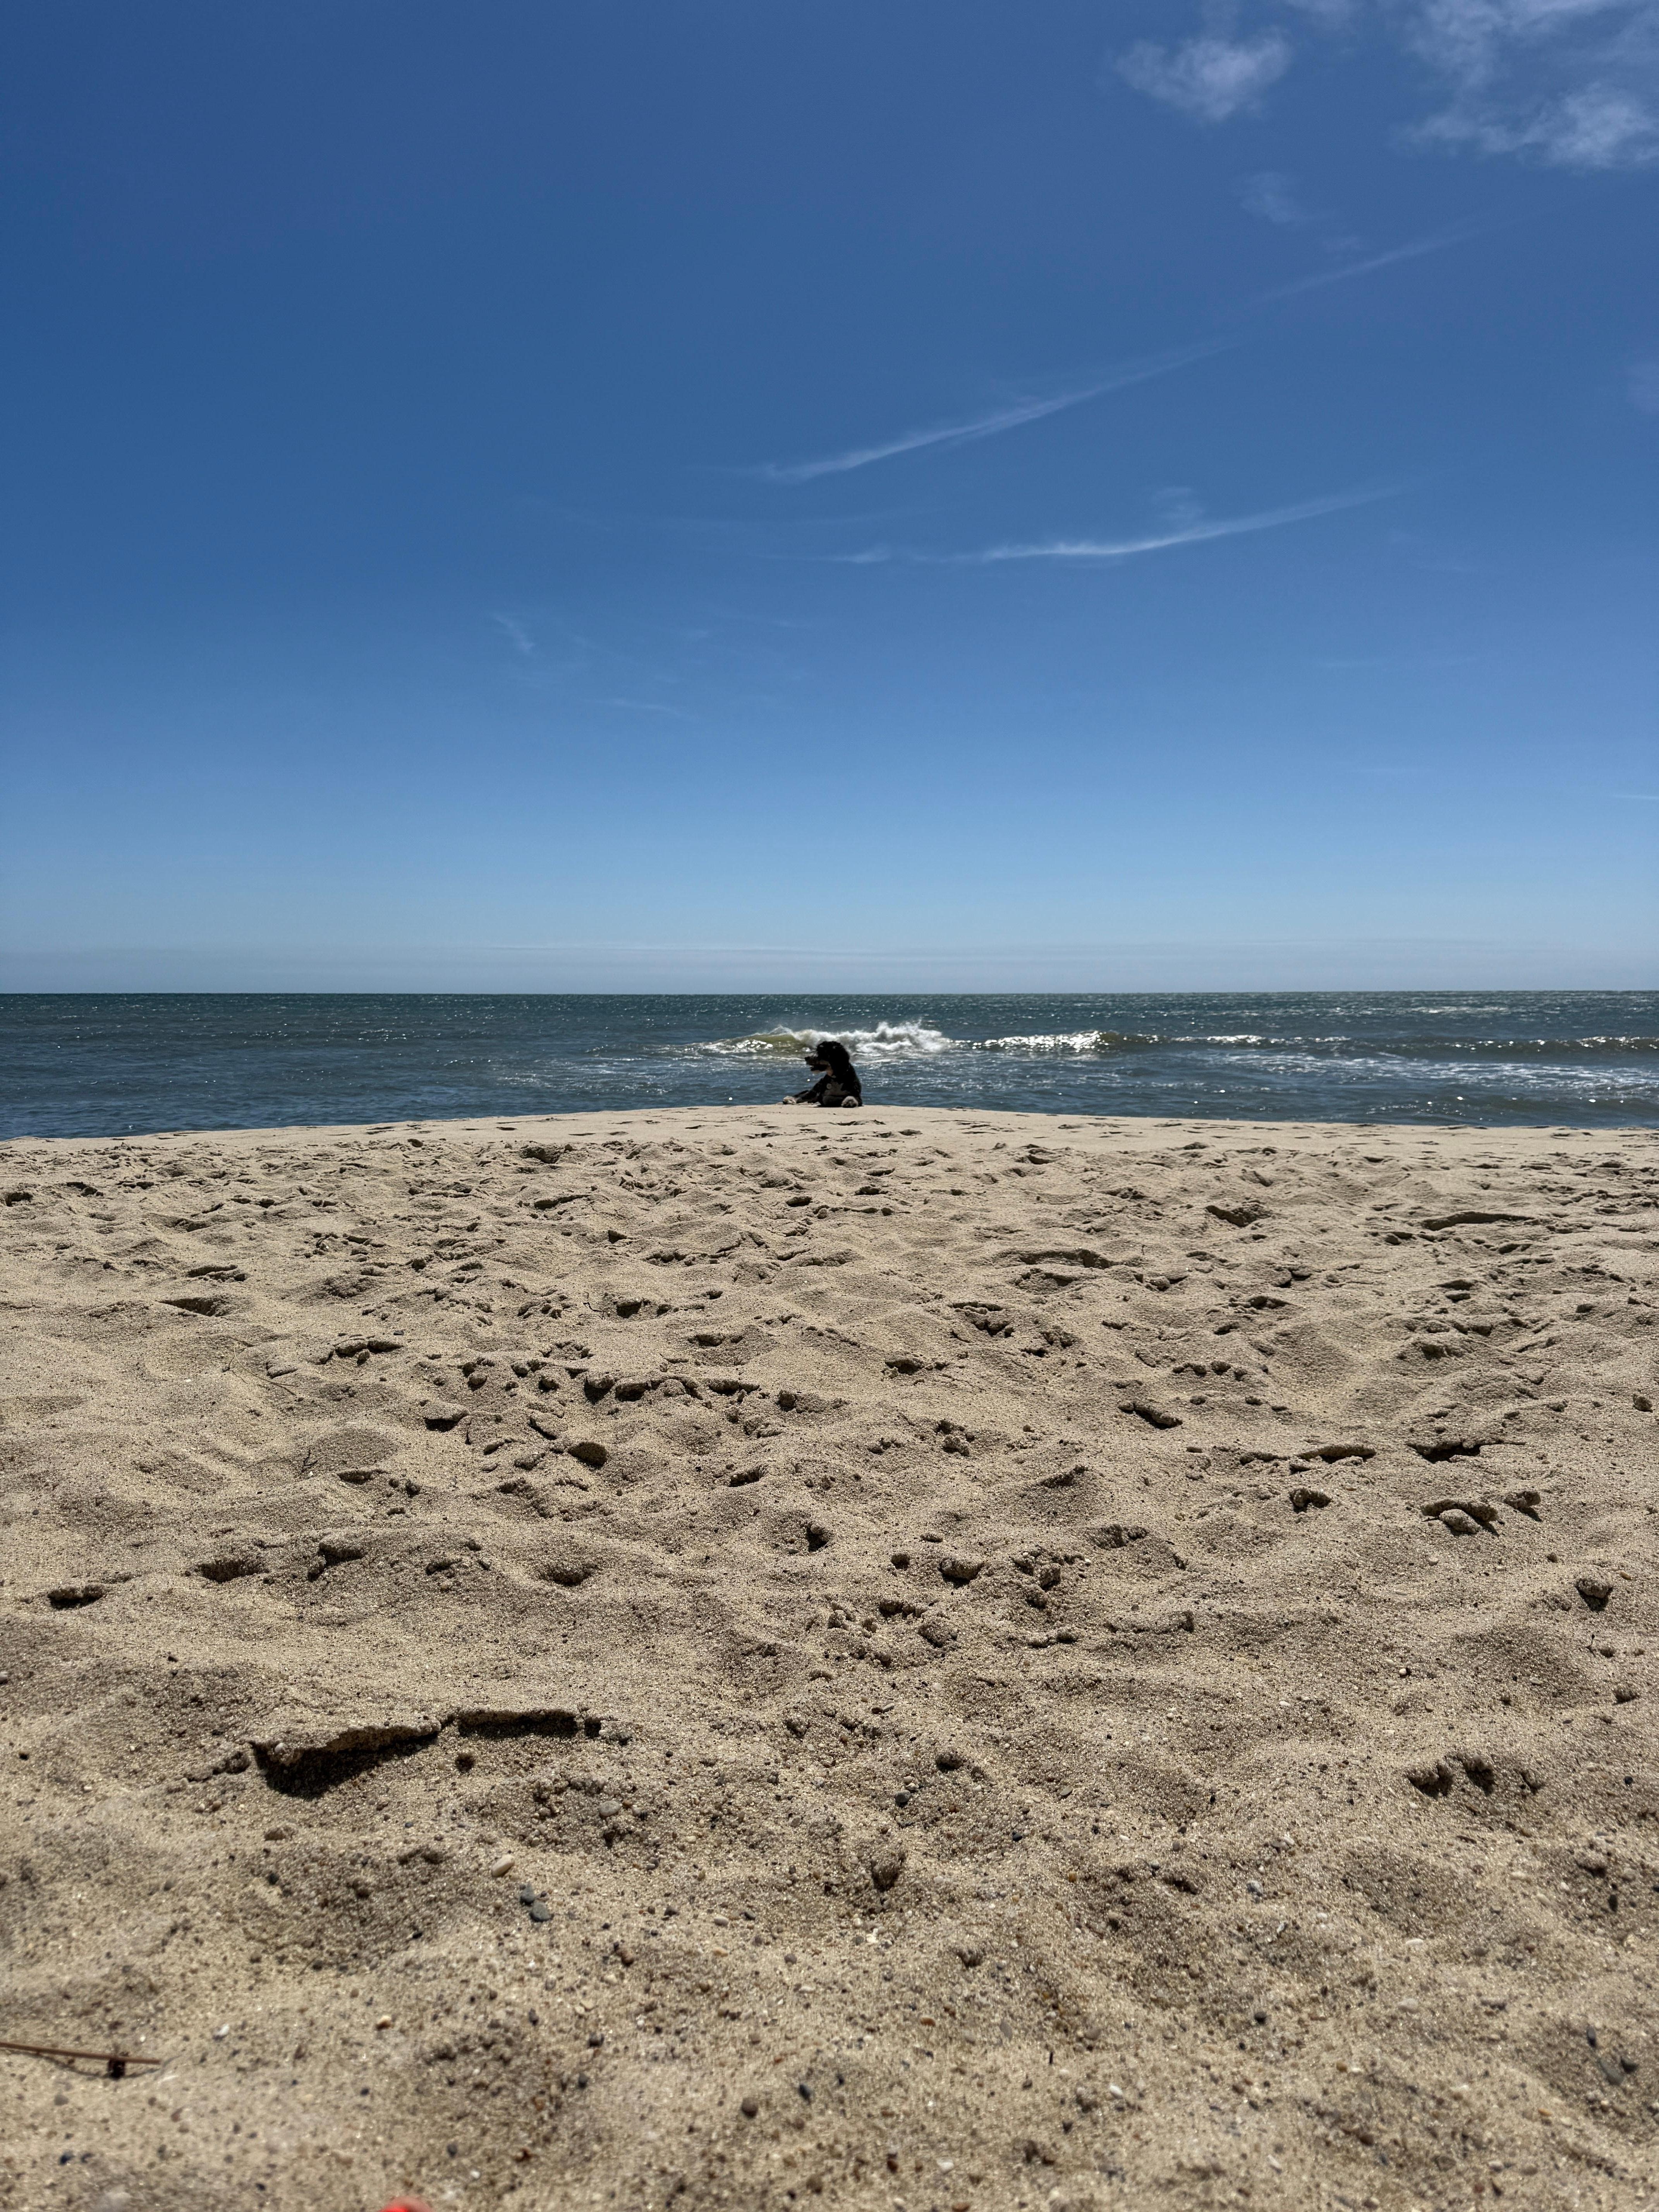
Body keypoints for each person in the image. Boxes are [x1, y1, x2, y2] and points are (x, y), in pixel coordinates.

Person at [784, 1038, 862, 1108]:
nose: (812, 1059)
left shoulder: (851, 1080)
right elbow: (813, 1093)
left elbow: (857, 1098)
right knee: (812, 1094)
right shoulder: (827, 1079)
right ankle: (795, 1098)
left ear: (835, 1061)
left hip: (841, 1098)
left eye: (820, 1058)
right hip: (824, 1097)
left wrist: (852, 1101)